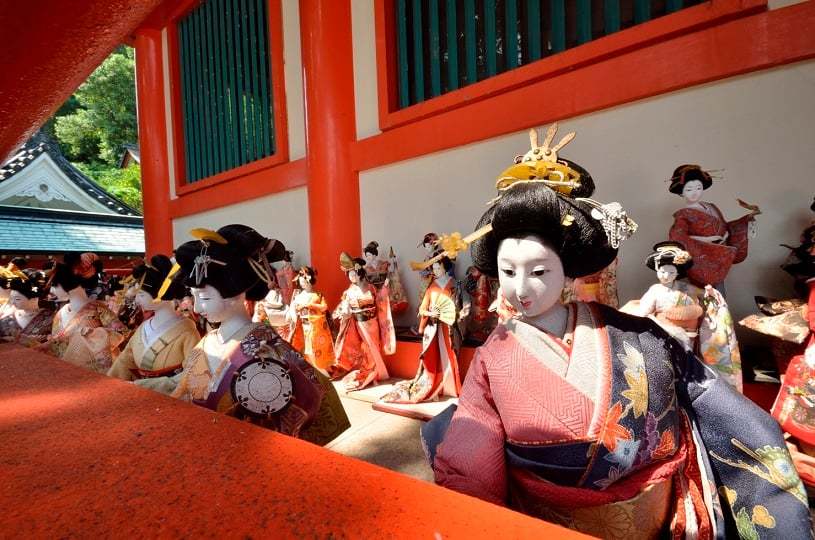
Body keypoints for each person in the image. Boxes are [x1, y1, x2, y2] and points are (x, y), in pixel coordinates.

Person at [422, 125, 810, 538]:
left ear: (568, 271)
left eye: (538, 272)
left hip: (665, 525)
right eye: (508, 271)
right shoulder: (494, 354)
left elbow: (727, 415)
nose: (520, 289)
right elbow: (472, 452)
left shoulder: (641, 335)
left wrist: (774, 507)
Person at [169, 225, 349, 446]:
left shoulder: (266, 356)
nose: (196, 308)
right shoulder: (208, 341)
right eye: (194, 297)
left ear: (237, 294)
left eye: (205, 298)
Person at [107, 255, 200, 392]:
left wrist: (145, 386)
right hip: (137, 392)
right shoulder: (144, 327)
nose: (137, 300)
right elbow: (124, 361)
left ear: (162, 294)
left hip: (170, 397)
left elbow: (192, 372)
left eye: (141, 295)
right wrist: (109, 385)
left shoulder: (188, 332)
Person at [382, 257, 461, 403]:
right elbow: (422, 309)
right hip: (433, 326)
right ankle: (434, 386)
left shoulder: (455, 284)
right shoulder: (431, 287)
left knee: (448, 355)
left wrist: (456, 314)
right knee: (433, 357)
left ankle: (449, 387)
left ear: (445, 268)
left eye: (439, 268)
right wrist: (431, 313)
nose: (436, 271)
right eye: (434, 268)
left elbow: (458, 306)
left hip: (447, 325)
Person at [668, 164, 758, 290]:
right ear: (681, 193)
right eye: (689, 190)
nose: (695, 192)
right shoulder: (683, 214)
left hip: (718, 257)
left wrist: (745, 220)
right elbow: (677, 238)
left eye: (698, 188)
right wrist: (706, 240)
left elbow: (725, 226)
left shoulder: (711, 206)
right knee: (703, 294)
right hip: (702, 260)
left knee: (719, 293)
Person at [41, 253, 125, 373]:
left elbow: (121, 334)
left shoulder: (98, 310)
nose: (52, 290)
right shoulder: (60, 314)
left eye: (54, 285)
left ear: (68, 283)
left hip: (93, 374)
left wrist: (94, 334)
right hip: (63, 372)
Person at [332, 254, 395, 391]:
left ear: (359, 273)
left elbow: (379, 300)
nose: (351, 277)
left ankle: (377, 374)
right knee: (367, 349)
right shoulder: (349, 291)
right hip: (360, 324)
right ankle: (371, 374)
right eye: (349, 275)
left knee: (374, 347)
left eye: (353, 274)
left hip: (373, 323)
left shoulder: (371, 288)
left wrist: (384, 289)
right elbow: (344, 306)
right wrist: (343, 311)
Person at [287, 266, 334, 372]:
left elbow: (324, 307)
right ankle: (315, 370)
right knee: (307, 350)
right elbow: (294, 311)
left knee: (318, 348)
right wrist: (294, 315)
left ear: (309, 280)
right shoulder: (298, 296)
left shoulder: (318, 295)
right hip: (304, 326)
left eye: (303, 280)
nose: (302, 283)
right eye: (300, 281)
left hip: (318, 326)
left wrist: (310, 305)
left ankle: (322, 370)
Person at [0, 269, 54, 346]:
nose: (12, 302)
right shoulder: (7, 316)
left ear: (34, 298)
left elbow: (55, 344)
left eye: (17, 299)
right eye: (11, 298)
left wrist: (34, 343)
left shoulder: (50, 318)